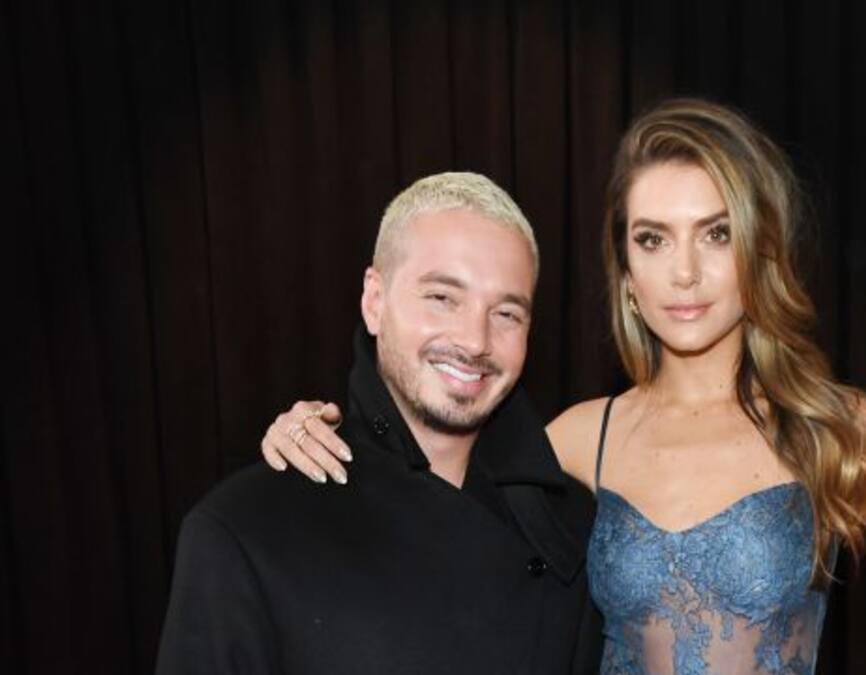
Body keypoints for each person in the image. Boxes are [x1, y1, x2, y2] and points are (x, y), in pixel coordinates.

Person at [263, 99, 866, 673]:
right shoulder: (574, 439)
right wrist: (322, 427)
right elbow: (419, 485)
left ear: (758, 250)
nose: (683, 272)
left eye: (716, 234)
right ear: (625, 271)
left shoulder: (833, 424)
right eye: (652, 239)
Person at [157, 173, 602, 674]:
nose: (475, 340)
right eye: (442, 298)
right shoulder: (245, 528)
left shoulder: (572, 526)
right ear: (375, 300)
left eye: (506, 313)